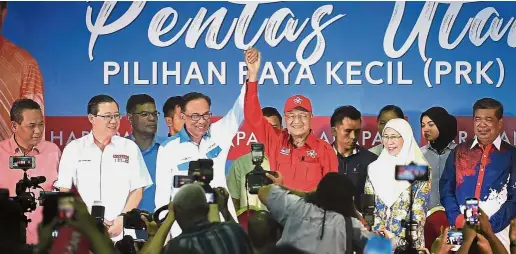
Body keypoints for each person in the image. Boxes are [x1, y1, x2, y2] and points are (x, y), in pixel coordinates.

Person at [155, 55, 252, 236]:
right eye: (195, 116)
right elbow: (162, 197)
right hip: (184, 232)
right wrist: (166, 239)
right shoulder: (168, 149)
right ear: (183, 116)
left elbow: (240, 108)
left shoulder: (219, 133)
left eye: (206, 115)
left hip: (222, 226)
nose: (201, 121)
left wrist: (251, 75)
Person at [55, 95, 153, 242]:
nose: (114, 121)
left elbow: (137, 189)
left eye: (116, 116)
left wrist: (122, 219)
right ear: (91, 118)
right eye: (108, 116)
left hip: (121, 232)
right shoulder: (74, 149)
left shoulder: (129, 148)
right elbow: (64, 191)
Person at [244, 47, 338, 192]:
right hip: (280, 213)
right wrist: (252, 75)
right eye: (292, 115)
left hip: (311, 213)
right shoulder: (275, 141)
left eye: (302, 115)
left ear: (311, 118)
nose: (297, 121)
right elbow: (252, 116)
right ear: (285, 118)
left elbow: (333, 193)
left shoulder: (325, 150)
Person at [440, 98, 516, 251]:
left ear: (500, 123)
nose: (482, 125)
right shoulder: (459, 151)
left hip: (497, 233)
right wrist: (458, 219)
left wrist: (489, 226)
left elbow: (514, 198)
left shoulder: (512, 155)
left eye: (488, 120)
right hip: (459, 229)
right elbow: (446, 189)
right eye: (478, 119)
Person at [258, 172, 373, 254]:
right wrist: (354, 212)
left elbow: (263, 191)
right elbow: (384, 248)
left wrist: (307, 195)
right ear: (349, 200)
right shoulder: (350, 225)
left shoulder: (297, 206)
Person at [0, 99, 60, 244]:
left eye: (41, 124)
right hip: (7, 241)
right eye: (31, 126)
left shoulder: (53, 151)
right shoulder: (1, 152)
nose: (38, 131)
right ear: (14, 126)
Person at [364, 118, 431, 250]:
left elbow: (418, 212)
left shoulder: (419, 169)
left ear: (405, 138)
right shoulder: (374, 168)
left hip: (409, 245)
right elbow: (369, 206)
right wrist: (380, 233)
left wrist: (397, 241)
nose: (389, 142)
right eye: (385, 137)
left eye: (394, 137)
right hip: (379, 244)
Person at [162, 184, 254, 254]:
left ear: (177, 212)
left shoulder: (176, 247)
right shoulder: (233, 231)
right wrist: (223, 209)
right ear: (207, 209)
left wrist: (168, 220)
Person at [0, 2, 45, 141]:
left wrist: (25, 161)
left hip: (7, 160)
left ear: (3, 14)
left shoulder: (24, 64)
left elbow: (33, 135)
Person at [227, 106, 283, 211]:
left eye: (274, 128)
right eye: (264, 128)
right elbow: (233, 203)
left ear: (282, 129)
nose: (269, 132)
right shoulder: (241, 163)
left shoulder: (290, 161)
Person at [420, 107, 458, 249]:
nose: (425, 129)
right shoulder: (418, 155)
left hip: (453, 218)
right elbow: (409, 187)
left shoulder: (460, 153)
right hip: (425, 220)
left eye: (431, 124)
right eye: (423, 125)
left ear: (442, 125)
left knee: (454, 250)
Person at [330, 105, 378, 211]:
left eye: (357, 131)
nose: (353, 136)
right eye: (348, 131)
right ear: (334, 131)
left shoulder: (371, 161)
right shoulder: (321, 158)